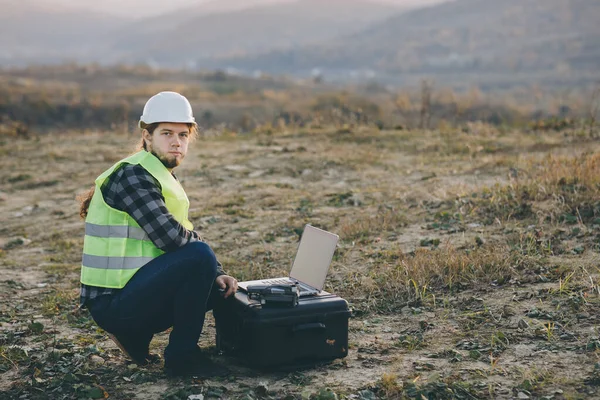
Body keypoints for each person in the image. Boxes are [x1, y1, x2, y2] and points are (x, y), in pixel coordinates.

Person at [77, 91, 237, 377]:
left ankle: (135, 336)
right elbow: (171, 238)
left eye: (183, 135)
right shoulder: (133, 176)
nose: (177, 142)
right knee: (200, 257)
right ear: (147, 136)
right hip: (112, 303)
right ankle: (182, 358)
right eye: (167, 133)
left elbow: (183, 232)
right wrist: (208, 263)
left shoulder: (159, 173)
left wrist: (217, 272)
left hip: (133, 292)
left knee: (217, 285)